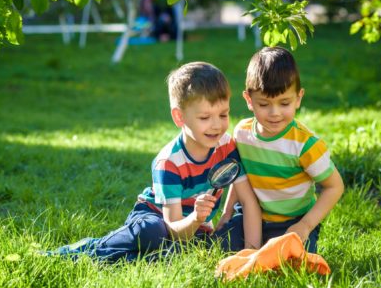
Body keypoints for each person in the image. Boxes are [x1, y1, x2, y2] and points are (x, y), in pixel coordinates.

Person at [47, 62, 262, 261]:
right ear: (179, 117)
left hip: (194, 229)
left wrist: (252, 255)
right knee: (153, 234)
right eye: (205, 118)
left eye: (223, 115)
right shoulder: (169, 162)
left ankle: (132, 261)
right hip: (158, 218)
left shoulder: (226, 147)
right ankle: (81, 252)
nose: (217, 125)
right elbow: (174, 228)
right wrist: (196, 218)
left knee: (210, 241)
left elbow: (249, 202)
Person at [221, 46, 344, 254]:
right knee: (223, 244)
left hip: (294, 221)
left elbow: (335, 187)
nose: (274, 113)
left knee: (293, 258)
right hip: (252, 217)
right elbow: (239, 178)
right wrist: (227, 213)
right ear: (249, 100)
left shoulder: (305, 144)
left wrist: (305, 226)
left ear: (298, 98)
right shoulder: (242, 133)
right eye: (264, 104)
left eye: (284, 103)